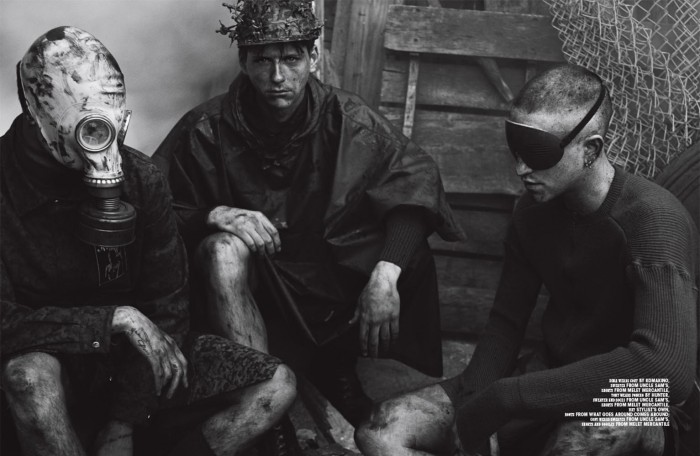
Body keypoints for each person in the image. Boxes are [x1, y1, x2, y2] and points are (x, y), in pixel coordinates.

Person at [355, 64, 699, 456]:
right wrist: (474, 405)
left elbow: (666, 373)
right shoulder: (532, 212)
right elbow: (506, 322)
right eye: (516, 148)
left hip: (638, 400)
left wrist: (509, 398)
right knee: (380, 433)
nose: (521, 168)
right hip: (549, 376)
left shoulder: (655, 221)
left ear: (591, 150)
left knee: (577, 444)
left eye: (537, 153)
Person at [153, 0, 463, 431]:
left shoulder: (350, 120)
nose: (278, 76)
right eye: (263, 61)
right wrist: (212, 214)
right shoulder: (204, 127)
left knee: (401, 252)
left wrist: (385, 274)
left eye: (291, 59)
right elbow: (152, 202)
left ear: (312, 58)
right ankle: (258, 389)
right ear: (243, 63)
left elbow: (415, 181)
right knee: (222, 250)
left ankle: (335, 365)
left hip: (323, 272)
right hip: (256, 283)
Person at [1, 26, 297, 456]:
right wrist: (110, 320)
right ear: (36, 113)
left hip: (134, 364)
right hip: (50, 361)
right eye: (87, 126)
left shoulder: (140, 178)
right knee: (29, 377)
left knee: (275, 386)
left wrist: (125, 421)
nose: (102, 143)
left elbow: (167, 304)